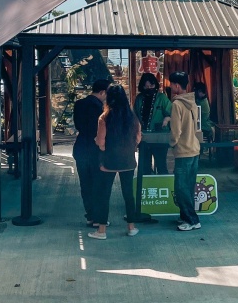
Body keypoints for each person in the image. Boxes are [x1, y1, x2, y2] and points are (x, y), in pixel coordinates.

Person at [88, 83, 143, 239]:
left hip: (109, 162)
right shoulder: (132, 117)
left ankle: (102, 231)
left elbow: (100, 142)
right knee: (128, 194)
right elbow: (138, 138)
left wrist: (104, 147)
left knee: (104, 194)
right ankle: (131, 227)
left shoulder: (104, 118)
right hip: (128, 161)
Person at [72, 78, 109, 229]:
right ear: (102, 92)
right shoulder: (101, 109)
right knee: (98, 184)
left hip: (81, 146)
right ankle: (98, 218)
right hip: (96, 148)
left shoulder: (79, 104)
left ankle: (90, 216)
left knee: (85, 184)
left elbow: (78, 125)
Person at [168, 71, 202, 231]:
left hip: (183, 151)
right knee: (189, 186)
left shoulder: (176, 104)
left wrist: (172, 143)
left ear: (176, 85)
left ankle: (192, 220)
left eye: (171, 84)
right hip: (194, 148)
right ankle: (185, 217)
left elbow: (176, 131)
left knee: (181, 188)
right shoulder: (192, 102)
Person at [133, 72, 172, 175]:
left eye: (151, 85)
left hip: (160, 136)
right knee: (144, 166)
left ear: (155, 85)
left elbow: (171, 113)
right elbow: (135, 115)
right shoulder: (139, 98)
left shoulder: (162, 98)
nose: (149, 88)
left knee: (161, 165)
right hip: (144, 137)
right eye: (146, 86)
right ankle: (145, 189)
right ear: (142, 86)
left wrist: (166, 119)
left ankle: (163, 188)